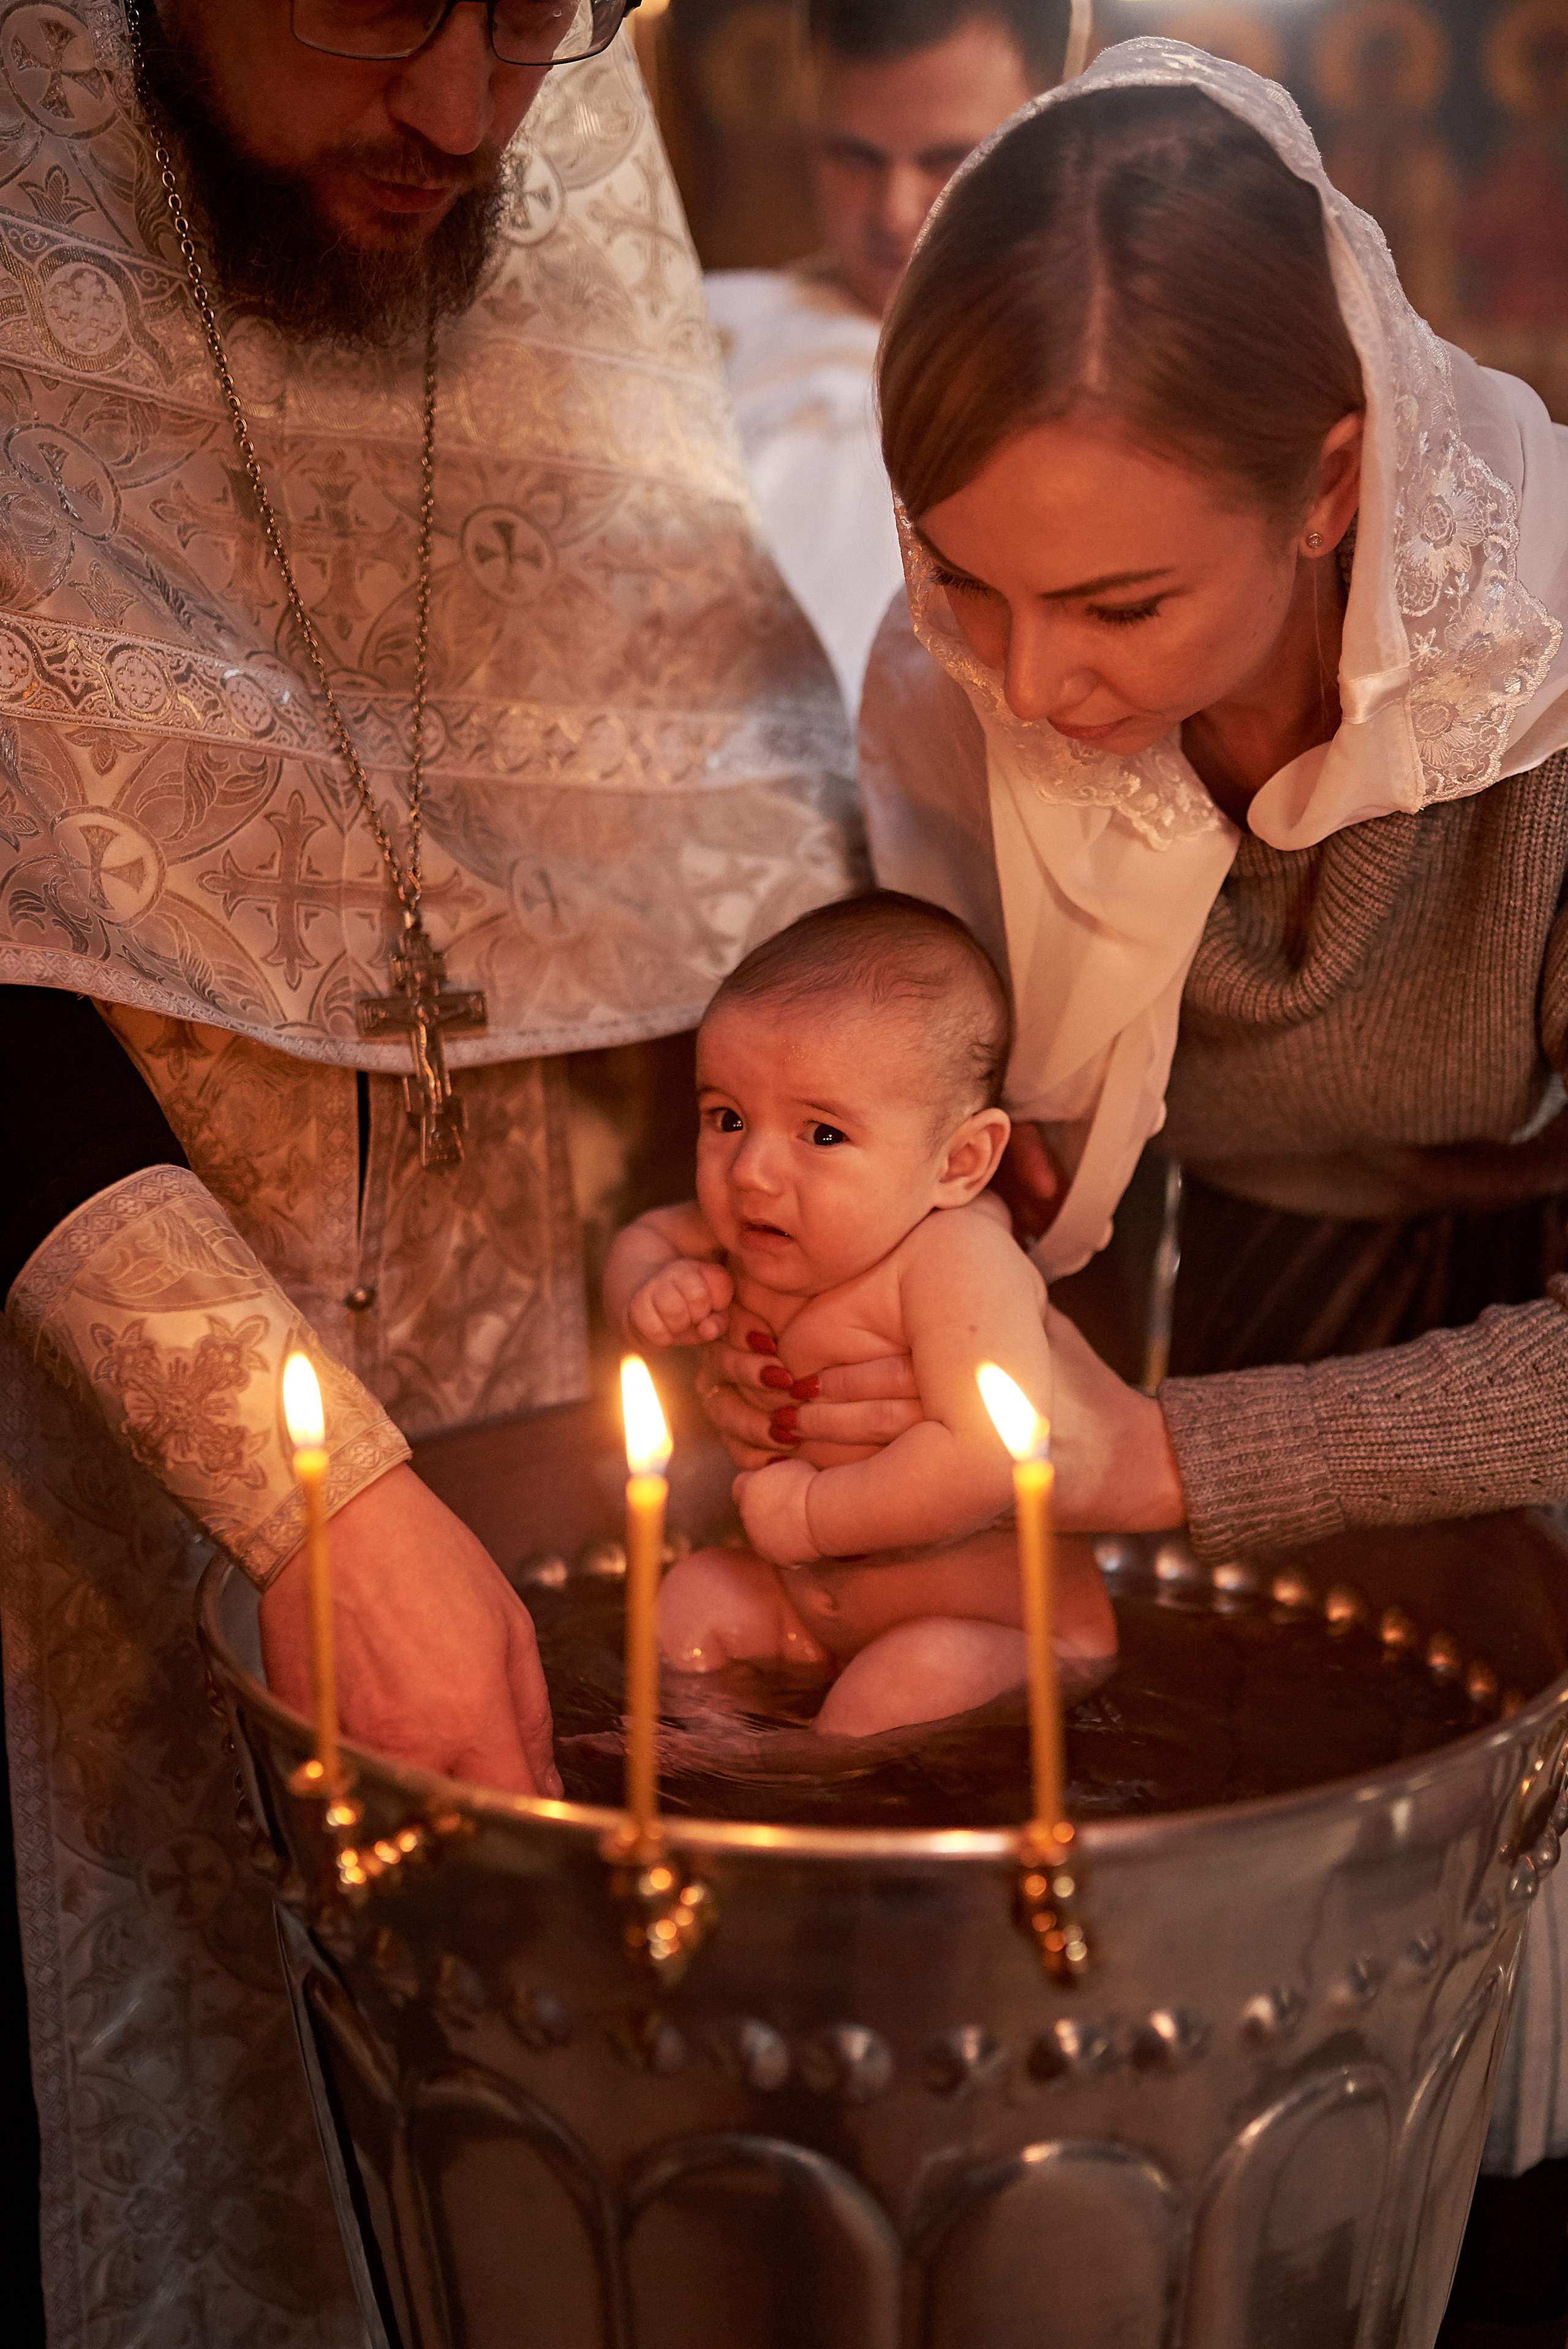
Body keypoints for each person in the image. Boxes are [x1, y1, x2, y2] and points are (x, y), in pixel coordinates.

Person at [697, 36, 1568, 2342]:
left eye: (1113, 602)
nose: (1030, 679)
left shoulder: (1545, 688)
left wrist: (1175, 1458)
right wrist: (793, 1274)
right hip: (1170, 1307)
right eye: (966, 584)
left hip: (1509, 1348)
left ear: (1330, 481)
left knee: (1464, 2082)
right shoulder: (959, 679)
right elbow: (942, 1136)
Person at [0, 2, 858, 2337]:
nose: (469, 116)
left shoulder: (554, 180)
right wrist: (301, 1489)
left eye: (541, 20)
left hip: (536, 1389)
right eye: (386, 10)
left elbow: (702, 816)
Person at [604, 891, 1114, 1734]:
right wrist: (649, 1291)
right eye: (727, 1117)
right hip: (809, 1611)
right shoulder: (756, 1228)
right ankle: (691, 1749)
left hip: (1009, 1638)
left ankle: (793, 1780)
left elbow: (988, 1455)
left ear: (959, 1161)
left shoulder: (955, 1260)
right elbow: (646, 1235)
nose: (751, 1170)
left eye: (822, 1134)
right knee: (695, 1597)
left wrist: (813, 1517)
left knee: (906, 1680)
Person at [704, 0, 1066, 717]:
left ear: (1049, 129)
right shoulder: (699, 338)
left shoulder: (1118, 376)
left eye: (947, 159)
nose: (894, 213)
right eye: (854, 157)